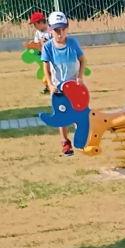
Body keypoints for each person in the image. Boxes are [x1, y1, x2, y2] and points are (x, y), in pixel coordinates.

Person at [41, 11, 87, 157]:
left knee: (80, 113)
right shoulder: (48, 47)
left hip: (74, 85)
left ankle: (82, 139)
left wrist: (80, 77)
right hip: (59, 88)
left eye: (63, 29)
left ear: (67, 28)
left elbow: (82, 60)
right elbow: (46, 68)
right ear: (50, 29)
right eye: (56, 30)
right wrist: (50, 85)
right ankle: (65, 142)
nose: (60, 33)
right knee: (62, 115)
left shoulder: (72, 43)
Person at [27, 9, 52, 92]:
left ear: (41, 22)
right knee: (46, 71)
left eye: (35, 24)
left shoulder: (50, 30)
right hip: (44, 56)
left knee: (52, 72)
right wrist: (32, 45)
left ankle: (51, 86)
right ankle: (48, 87)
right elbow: (36, 43)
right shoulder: (38, 32)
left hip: (53, 55)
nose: (35, 26)